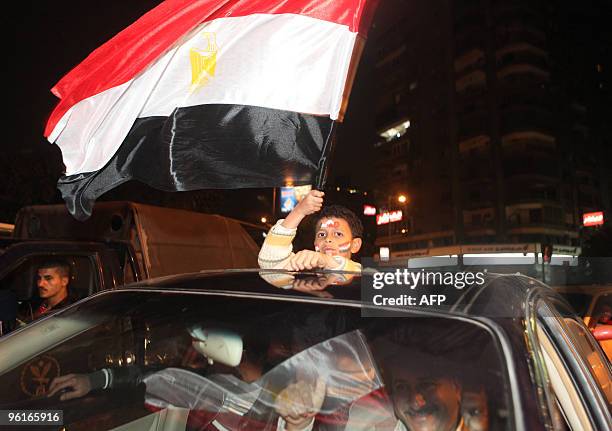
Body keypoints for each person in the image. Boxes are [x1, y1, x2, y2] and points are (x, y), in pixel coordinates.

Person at [258, 190, 363, 289]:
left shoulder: (368, 276)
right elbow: (269, 264)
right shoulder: (303, 275)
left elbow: (358, 272)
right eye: (321, 234)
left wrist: (327, 261)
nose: (328, 239)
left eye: (338, 234)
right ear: (314, 242)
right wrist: (298, 211)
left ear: (355, 245)